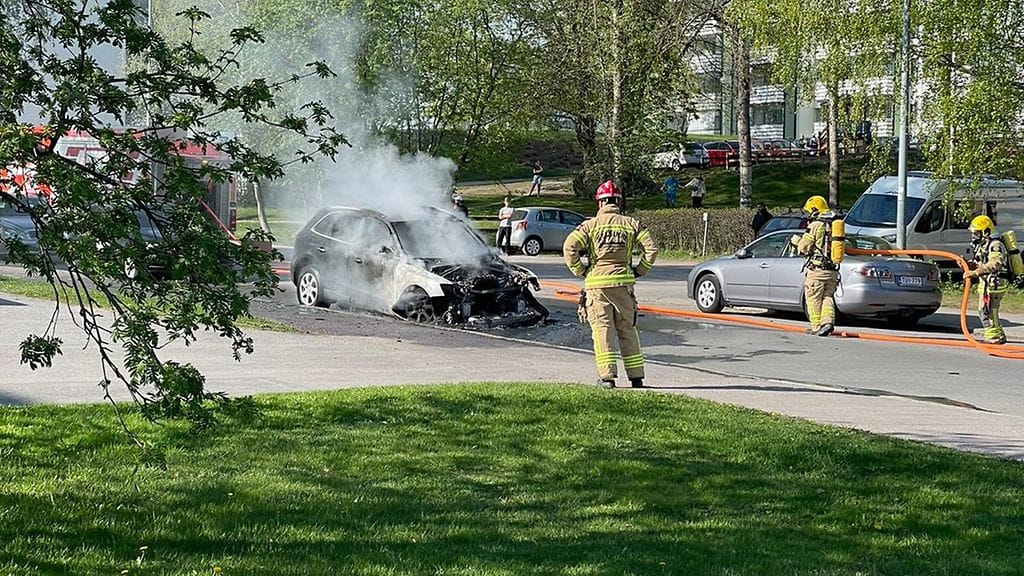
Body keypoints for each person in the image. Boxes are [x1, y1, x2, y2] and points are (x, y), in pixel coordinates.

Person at [563, 180, 659, 388]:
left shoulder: (589, 226)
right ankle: (636, 377)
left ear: (599, 203)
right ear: (618, 202)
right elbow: (651, 249)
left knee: (602, 329)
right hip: (624, 286)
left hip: (597, 286)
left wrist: (581, 271)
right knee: (627, 329)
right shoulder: (631, 224)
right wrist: (639, 270)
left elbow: (569, 246)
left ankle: (607, 377)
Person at [791, 195, 838, 337]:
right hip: (832, 271)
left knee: (813, 298)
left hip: (817, 269)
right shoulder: (833, 225)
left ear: (814, 210)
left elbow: (804, 248)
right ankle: (828, 323)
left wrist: (796, 241)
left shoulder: (815, 226)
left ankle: (817, 327)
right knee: (827, 297)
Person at [964, 215, 1007, 344]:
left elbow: (995, 263)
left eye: (977, 233)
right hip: (986, 284)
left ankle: (994, 338)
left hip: (994, 285)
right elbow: (981, 262)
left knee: (989, 312)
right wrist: (968, 265)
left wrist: (976, 272)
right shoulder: (984, 244)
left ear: (986, 231)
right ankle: (997, 335)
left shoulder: (995, 244)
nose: (974, 236)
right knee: (985, 311)